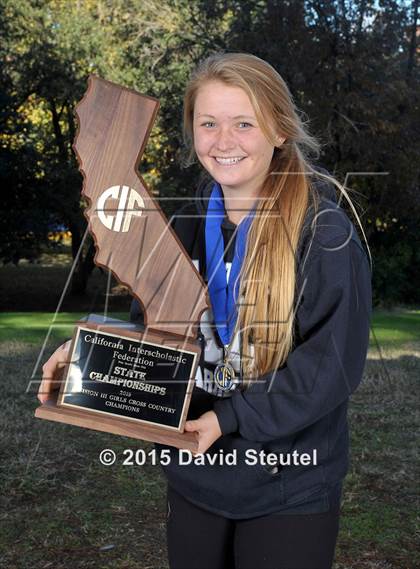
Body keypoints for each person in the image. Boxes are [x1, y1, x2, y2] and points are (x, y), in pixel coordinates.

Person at [39, 52, 372, 569]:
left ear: (279, 131)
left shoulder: (323, 234)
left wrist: (229, 416)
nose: (224, 141)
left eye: (245, 123)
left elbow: (329, 369)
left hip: (288, 485)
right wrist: (86, 361)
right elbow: (157, 327)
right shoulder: (187, 221)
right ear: (192, 131)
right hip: (194, 475)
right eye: (208, 123)